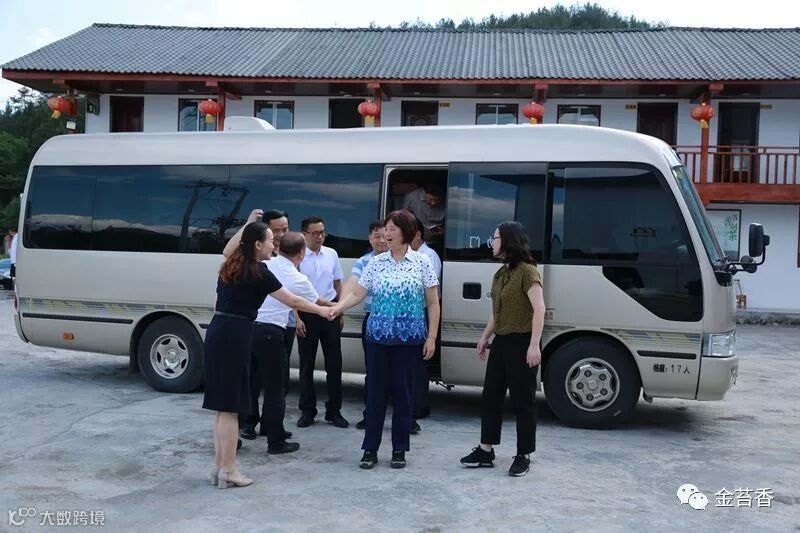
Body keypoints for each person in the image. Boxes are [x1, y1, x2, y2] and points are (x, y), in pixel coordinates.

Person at [204, 210, 332, 489]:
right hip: (236, 335)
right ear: (257, 245)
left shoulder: (231, 265)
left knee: (221, 408)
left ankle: (218, 469)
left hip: (217, 331)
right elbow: (293, 300)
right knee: (230, 408)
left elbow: (231, 247)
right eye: (271, 240)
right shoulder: (258, 272)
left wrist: (250, 223)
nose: (276, 244)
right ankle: (229, 470)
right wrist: (323, 311)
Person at [332, 210, 440, 470]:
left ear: (406, 232)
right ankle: (370, 448)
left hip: (408, 340)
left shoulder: (422, 262)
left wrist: (432, 337)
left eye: (392, 229)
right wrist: (338, 308)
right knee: (375, 394)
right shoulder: (375, 263)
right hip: (377, 338)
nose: (386, 235)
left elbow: (433, 302)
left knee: (403, 394)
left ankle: (399, 449)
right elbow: (358, 293)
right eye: (385, 230)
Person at [460, 221, 545, 478]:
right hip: (502, 342)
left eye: (495, 238)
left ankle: (523, 455)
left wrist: (534, 345)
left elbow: (539, 309)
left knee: (523, 401)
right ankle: (486, 450)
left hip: (523, 343)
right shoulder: (500, 273)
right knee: (491, 397)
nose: (491, 242)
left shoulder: (528, 272)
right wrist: (485, 337)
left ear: (508, 241)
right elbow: (497, 311)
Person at [239, 232, 332, 452]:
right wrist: (337, 307)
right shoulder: (298, 279)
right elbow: (315, 302)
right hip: (271, 333)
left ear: (279, 248)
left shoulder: (264, 265)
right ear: (302, 254)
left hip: (248, 328)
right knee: (275, 387)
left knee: (248, 383)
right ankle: (276, 440)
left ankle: (241, 431)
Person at [297, 216, 347, 428]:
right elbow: (291, 290)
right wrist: (296, 318)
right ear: (305, 234)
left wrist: (340, 310)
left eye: (322, 232)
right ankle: (307, 410)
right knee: (306, 365)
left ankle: (334, 411)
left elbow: (338, 284)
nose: (320, 237)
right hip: (306, 313)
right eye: (315, 233)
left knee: (334, 364)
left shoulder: (331, 254)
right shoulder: (298, 256)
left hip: (330, 313)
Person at [349, 221, 388, 430]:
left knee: (400, 373)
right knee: (373, 372)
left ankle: (408, 419)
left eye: (385, 235)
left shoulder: (403, 260)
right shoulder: (363, 262)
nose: (381, 240)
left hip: (397, 322)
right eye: (376, 236)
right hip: (372, 320)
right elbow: (353, 288)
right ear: (369, 238)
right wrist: (336, 307)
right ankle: (370, 416)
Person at [409, 216, 442, 431]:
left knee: (418, 364)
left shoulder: (429, 257)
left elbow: (430, 292)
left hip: (422, 312)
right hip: (415, 312)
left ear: (418, 235)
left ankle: (419, 406)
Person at [262, 210, 296, 398]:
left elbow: (295, 291)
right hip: (264, 321)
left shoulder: (291, 252)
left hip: (287, 320)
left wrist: (298, 317)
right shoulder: (261, 256)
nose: (281, 234)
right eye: (276, 230)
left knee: (282, 370)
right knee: (259, 373)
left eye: (285, 229)